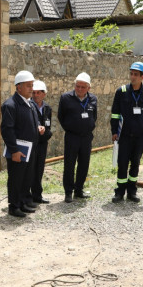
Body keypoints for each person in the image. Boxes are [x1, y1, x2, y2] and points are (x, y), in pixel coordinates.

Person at [111, 62, 143, 203]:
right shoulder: (121, 91)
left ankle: (132, 192)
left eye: (136, 74)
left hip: (139, 138)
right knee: (122, 164)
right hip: (124, 136)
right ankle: (120, 192)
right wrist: (114, 132)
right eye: (131, 73)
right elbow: (115, 114)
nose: (132, 76)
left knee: (135, 164)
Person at [1, 70, 45, 217]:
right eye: (28, 86)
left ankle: (24, 201)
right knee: (16, 178)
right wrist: (14, 150)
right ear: (18, 87)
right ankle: (14, 206)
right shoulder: (11, 105)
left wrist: (37, 127)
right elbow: (7, 130)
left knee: (27, 177)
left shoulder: (30, 103)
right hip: (18, 150)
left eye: (32, 85)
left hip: (30, 148)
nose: (31, 89)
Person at [58, 72, 98, 203]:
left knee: (84, 164)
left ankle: (79, 190)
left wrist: (88, 127)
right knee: (69, 164)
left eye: (83, 87)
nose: (79, 89)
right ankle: (68, 192)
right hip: (72, 137)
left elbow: (94, 116)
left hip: (86, 137)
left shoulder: (93, 99)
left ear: (88, 88)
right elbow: (61, 117)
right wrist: (70, 128)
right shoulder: (66, 98)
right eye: (77, 86)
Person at [31, 80, 53, 204]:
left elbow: (49, 124)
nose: (36, 95)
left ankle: (37, 195)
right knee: (31, 170)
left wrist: (47, 133)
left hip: (43, 143)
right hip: (32, 143)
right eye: (34, 93)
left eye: (39, 93)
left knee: (39, 169)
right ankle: (28, 195)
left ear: (44, 94)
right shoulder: (29, 106)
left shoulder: (47, 108)